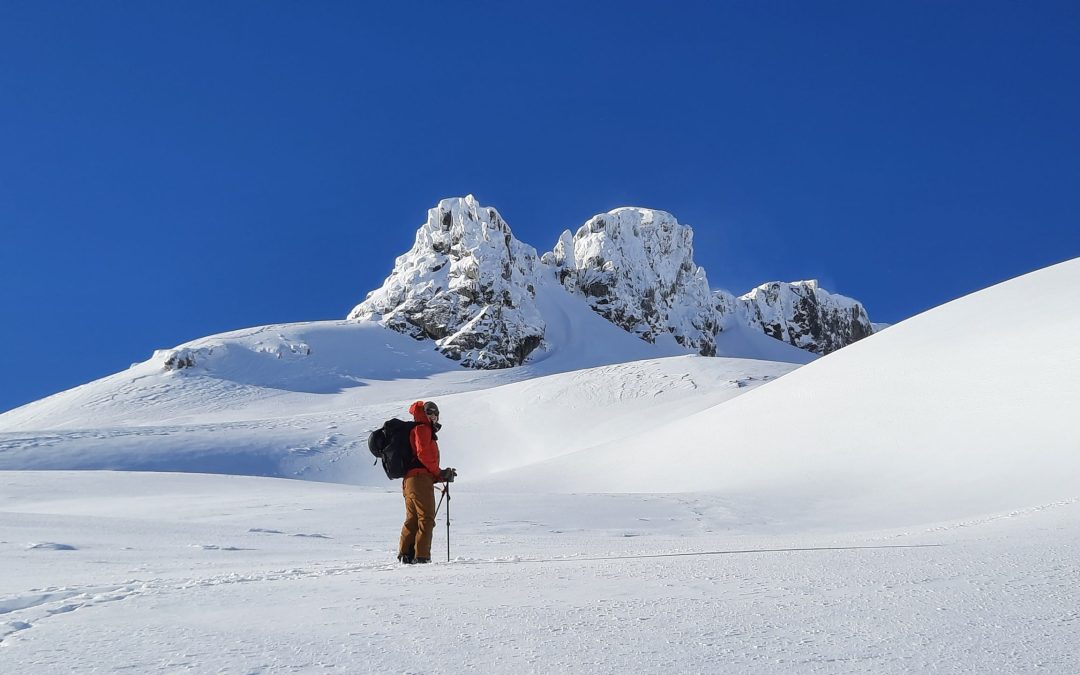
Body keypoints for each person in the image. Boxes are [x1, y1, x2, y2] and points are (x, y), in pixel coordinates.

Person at [398, 400, 456, 564]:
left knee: (413, 518)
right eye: (429, 413)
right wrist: (439, 473)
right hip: (420, 480)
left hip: (410, 481)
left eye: (435, 413)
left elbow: (420, 460)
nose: (433, 416)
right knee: (426, 518)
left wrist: (440, 475)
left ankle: (406, 554)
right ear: (423, 414)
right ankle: (422, 556)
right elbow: (424, 455)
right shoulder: (422, 429)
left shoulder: (417, 428)